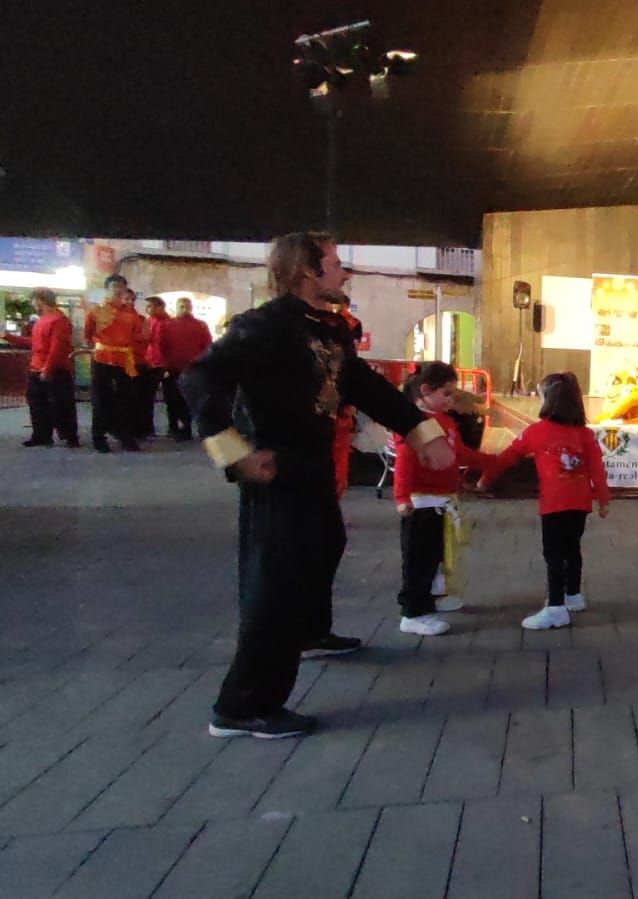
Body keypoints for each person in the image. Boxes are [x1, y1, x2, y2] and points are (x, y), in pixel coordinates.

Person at [182, 232, 454, 739]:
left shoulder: (328, 330)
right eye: (335, 263)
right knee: (276, 583)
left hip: (311, 466)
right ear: (309, 271)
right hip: (276, 468)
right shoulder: (262, 327)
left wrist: (421, 432)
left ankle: (308, 632)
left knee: (324, 548)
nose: (344, 272)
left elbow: (364, 387)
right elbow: (199, 378)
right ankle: (243, 706)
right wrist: (233, 452)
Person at [478, 373, 610, 630]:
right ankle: (573, 595)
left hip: (554, 504)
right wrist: (603, 500)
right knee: (572, 549)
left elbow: (507, 457)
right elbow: (597, 469)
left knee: (553, 554)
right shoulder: (585, 434)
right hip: (580, 503)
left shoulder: (536, 432)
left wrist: (485, 479)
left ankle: (556, 607)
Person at [392, 362, 496, 636]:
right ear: (425, 390)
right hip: (421, 504)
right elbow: (404, 461)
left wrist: (489, 461)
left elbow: (459, 453)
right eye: (447, 393)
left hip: (441, 502)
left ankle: (431, 600)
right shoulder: (417, 423)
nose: (452, 400)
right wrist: (402, 497)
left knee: (438, 556)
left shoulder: (444, 421)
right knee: (418, 560)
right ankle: (413, 612)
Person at [7, 288, 79, 448]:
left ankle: (69, 435)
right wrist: (9, 337)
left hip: (55, 368)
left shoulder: (59, 319)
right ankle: (41, 434)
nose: (32, 304)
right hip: (37, 366)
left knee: (61, 403)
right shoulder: (43, 320)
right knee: (37, 402)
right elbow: (34, 343)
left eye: (33, 300)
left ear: (40, 300)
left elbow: (57, 347)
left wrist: (48, 368)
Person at [84, 275, 144, 453]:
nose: (118, 290)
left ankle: (125, 435)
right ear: (107, 290)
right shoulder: (96, 311)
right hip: (102, 359)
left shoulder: (131, 314)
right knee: (101, 399)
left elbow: (138, 336)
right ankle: (99, 437)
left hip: (125, 361)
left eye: (121, 287)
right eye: (114, 287)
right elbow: (88, 336)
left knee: (126, 400)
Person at [157, 297, 213, 441]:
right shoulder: (167, 325)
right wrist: (164, 365)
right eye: (181, 306)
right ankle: (174, 426)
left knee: (191, 399)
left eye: (187, 306)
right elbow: (162, 346)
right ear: (176, 307)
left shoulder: (201, 325)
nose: (185, 309)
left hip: (192, 368)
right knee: (172, 399)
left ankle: (187, 427)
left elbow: (207, 346)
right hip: (173, 368)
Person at [329, 293, 363, 499]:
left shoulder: (338, 324)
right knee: (338, 457)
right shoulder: (352, 324)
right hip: (339, 400)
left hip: (330, 400)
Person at [139, 296, 170, 439]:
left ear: (160, 307)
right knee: (145, 397)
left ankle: (150, 427)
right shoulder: (149, 321)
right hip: (148, 361)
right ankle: (146, 426)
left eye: (151, 306)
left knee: (150, 396)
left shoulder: (167, 323)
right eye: (148, 306)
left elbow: (164, 344)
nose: (148, 309)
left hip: (159, 363)